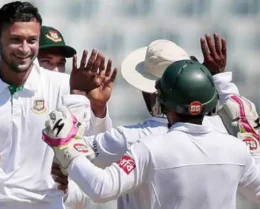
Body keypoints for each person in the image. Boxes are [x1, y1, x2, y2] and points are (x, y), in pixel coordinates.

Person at [0, 1, 121, 209]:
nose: (24, 49)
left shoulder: (64, 86)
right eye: (15, 40)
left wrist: (98, 109)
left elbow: (99, 154)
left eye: (32, 40)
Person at [55, 33, 243, 209]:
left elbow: (79, 157)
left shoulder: (132, 139)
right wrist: (220, 81)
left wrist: (78, 98)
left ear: (154, 91)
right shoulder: (225, 134)